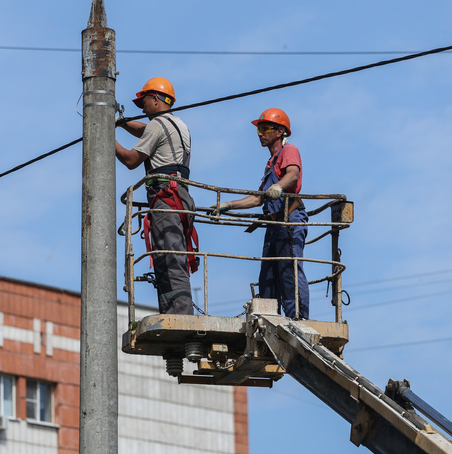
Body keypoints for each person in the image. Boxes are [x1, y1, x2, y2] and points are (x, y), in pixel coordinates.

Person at [212, 108, 310, 319]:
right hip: (274, 224)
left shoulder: (289, 150)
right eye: (259, 129)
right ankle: (269, 317)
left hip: (289, 219)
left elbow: (293, 174)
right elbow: (258, 198)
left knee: (288, 271)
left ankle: (297, 318)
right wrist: (228, 205)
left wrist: (279, 187)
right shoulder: (271, 163)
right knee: (268, 276)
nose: (260, 133)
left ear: (280, 131)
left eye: (265, 128)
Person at [115, 77, 197, 315]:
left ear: (154, 99)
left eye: (144, 103)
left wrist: (106, 137)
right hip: (180, 197)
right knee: (172, 254)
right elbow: (144, 130)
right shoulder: (179, 125)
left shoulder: (157, 125)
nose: (142, 109)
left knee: (168, 258)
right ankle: (175, 310)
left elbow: (131, 160)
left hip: (165, 197)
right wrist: (122, 123)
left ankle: (179, 314)